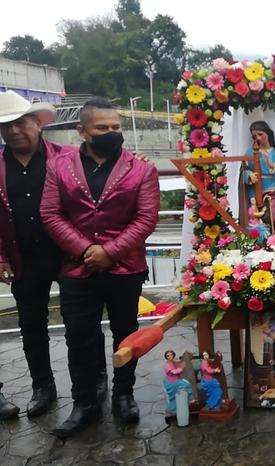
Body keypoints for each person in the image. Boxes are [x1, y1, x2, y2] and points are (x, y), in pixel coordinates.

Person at [41, 97, 160, 437]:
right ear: (82, 131)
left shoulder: (142, 169)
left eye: (116, 127)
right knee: (79, 337)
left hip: (125, 268)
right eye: (102, 128)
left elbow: (146, 218)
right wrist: (85, 250)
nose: (111, 133)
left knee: (127, 334)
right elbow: (51, 213)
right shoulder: (59, 167)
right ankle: (84, 404)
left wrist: (109, 252)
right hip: (77, 269)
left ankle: (124, 395)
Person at [0, 90, 110, 419]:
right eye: (6, 126)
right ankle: (42, 386)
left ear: (38, 123)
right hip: (23, 257)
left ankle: (96, 378)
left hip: (69, 254)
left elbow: (96, 190)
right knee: (31, 324)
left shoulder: (65, 157)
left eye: (21, 123)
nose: (14, 131)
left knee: (84, 322)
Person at [244, 121, 275, 235]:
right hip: (255, 192)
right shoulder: (250, 152)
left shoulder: (274, 152)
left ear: (267, 134)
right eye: (255, 136)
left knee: (274, 219)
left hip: (272, 190)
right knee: (256, 222)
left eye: (260, 134)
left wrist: (270, 163)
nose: (258, 138)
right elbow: (243, 169)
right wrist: (249, 175)